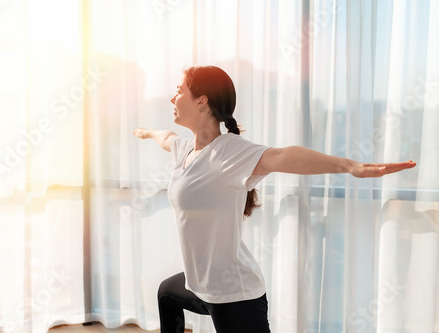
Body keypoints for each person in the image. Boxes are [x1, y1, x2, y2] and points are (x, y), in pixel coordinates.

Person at [133, 65, 416, 333]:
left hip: (234, 293)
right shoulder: (184, 150)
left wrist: (350, 166)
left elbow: (281, 156)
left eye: (179, 90)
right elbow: (166, 137)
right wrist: (147, 133)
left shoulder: (227, 151)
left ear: (201, 101)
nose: (172, 97)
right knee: (166, 293)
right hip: (199, 284)